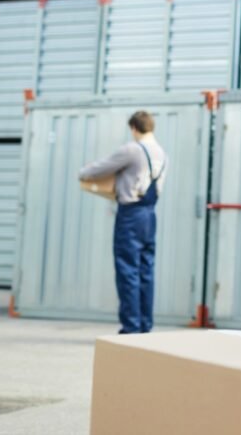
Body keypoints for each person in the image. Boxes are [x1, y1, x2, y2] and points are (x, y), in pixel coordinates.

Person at [78, 111, 167, 334]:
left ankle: (131, 327)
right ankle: (145, 326)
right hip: (150, 215)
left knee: (127, 271)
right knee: (146, 271)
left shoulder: (132, 149)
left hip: (131, 215)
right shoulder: (162, 153)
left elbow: (96, 169)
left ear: (134, 128)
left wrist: (83, 171)